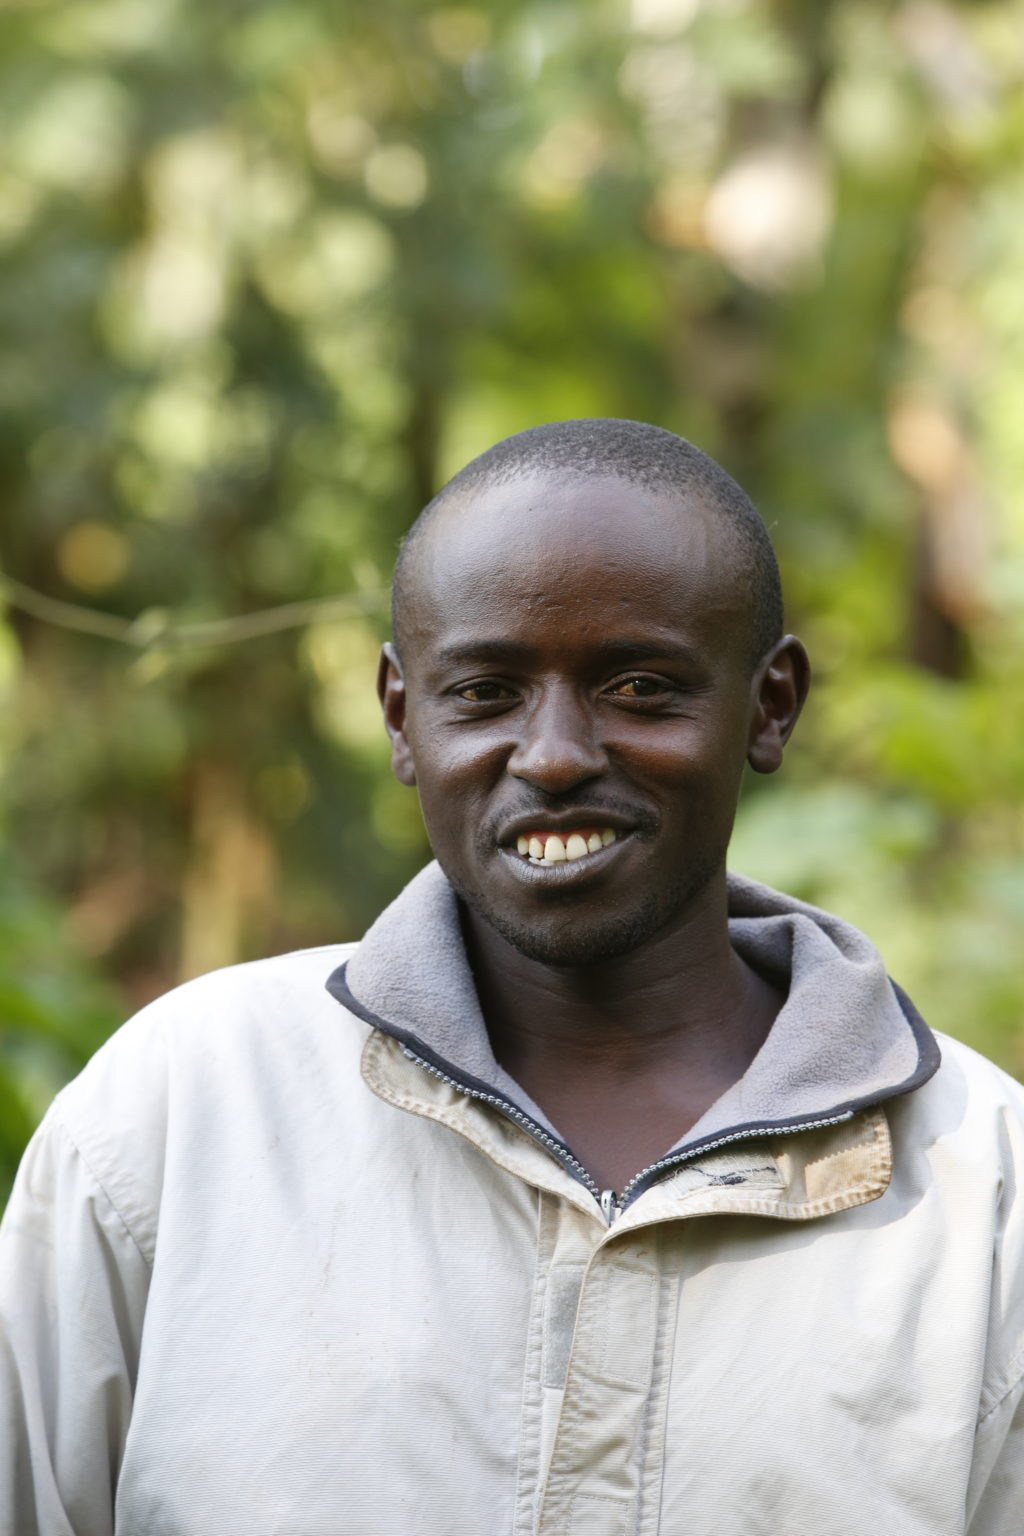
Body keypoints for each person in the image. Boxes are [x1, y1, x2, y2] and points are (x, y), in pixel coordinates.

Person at [2, 418, 1023, 1536]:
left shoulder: (980, 1197)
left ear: (768, 707)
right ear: (401, 718)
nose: (550, 756)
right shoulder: (181, 1112)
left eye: (639, 686)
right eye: (484, 693)